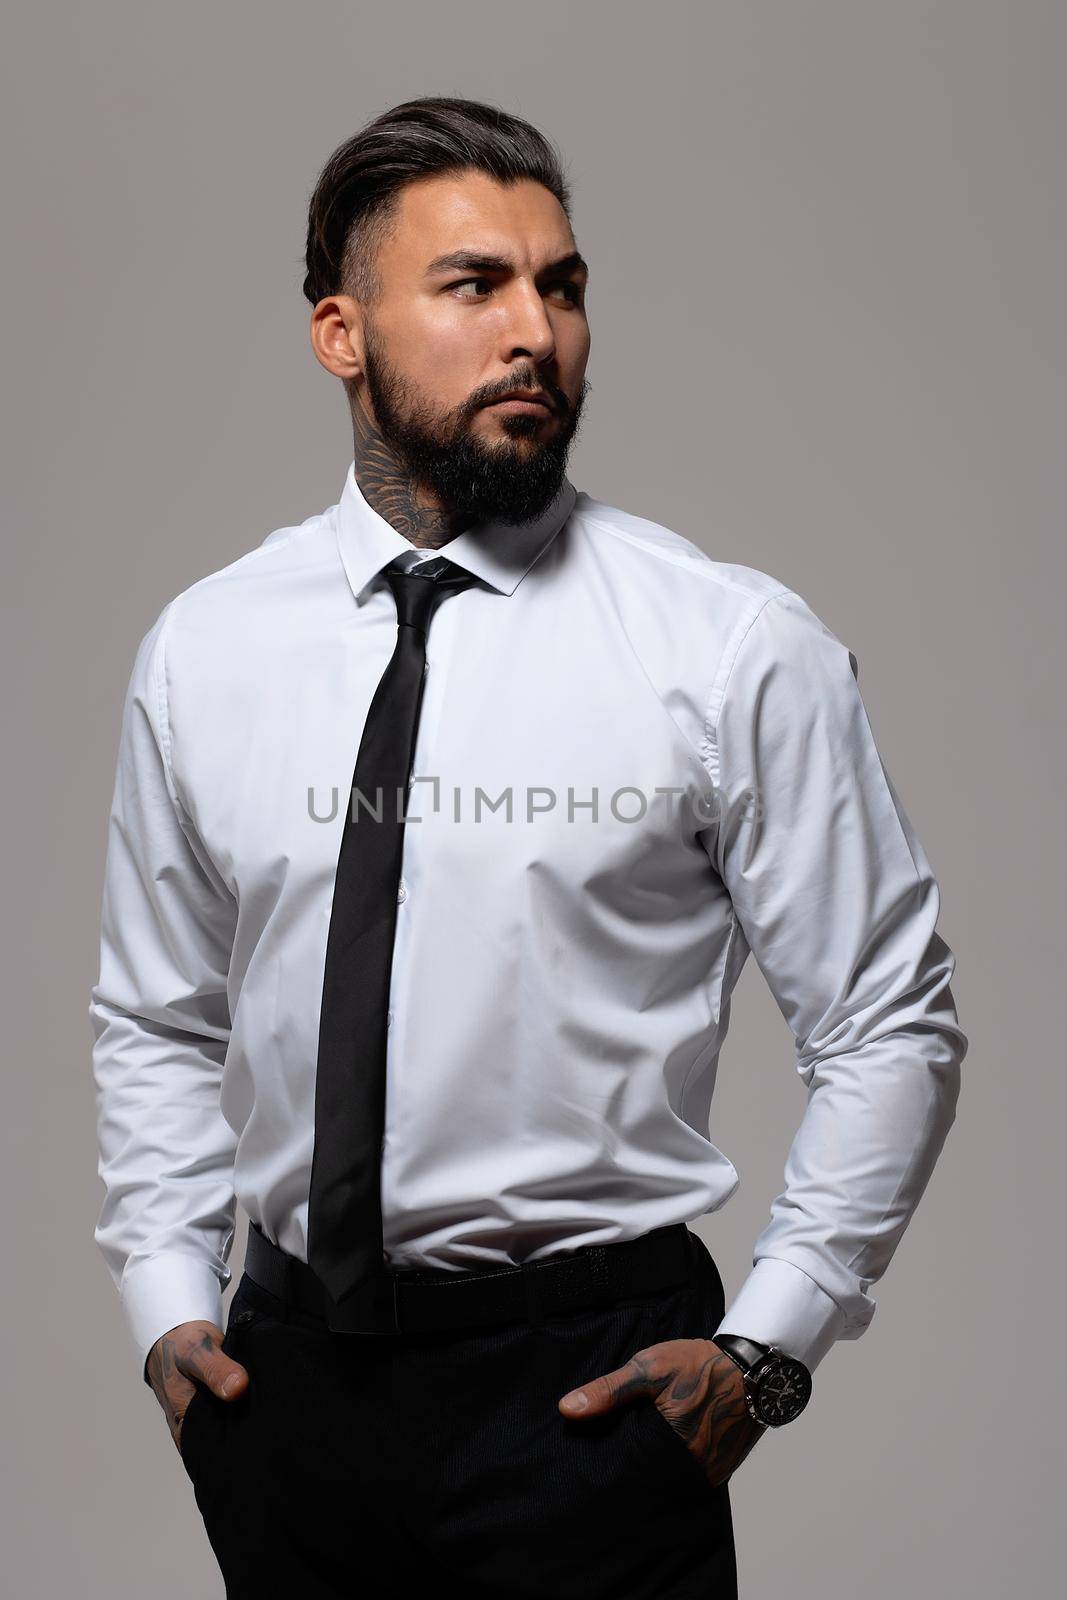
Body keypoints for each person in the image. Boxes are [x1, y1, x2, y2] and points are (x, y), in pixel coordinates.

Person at [89, 95, 967, 1599]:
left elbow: (890, 1024)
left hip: (589, 1390)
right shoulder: (207, 651)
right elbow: (159, 1013)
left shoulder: (728, 648)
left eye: (560, 286)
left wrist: (766, 1353)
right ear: (340, 333)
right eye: (473, 285)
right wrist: (173, 1314)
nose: (535, 332)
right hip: (289, 1388)